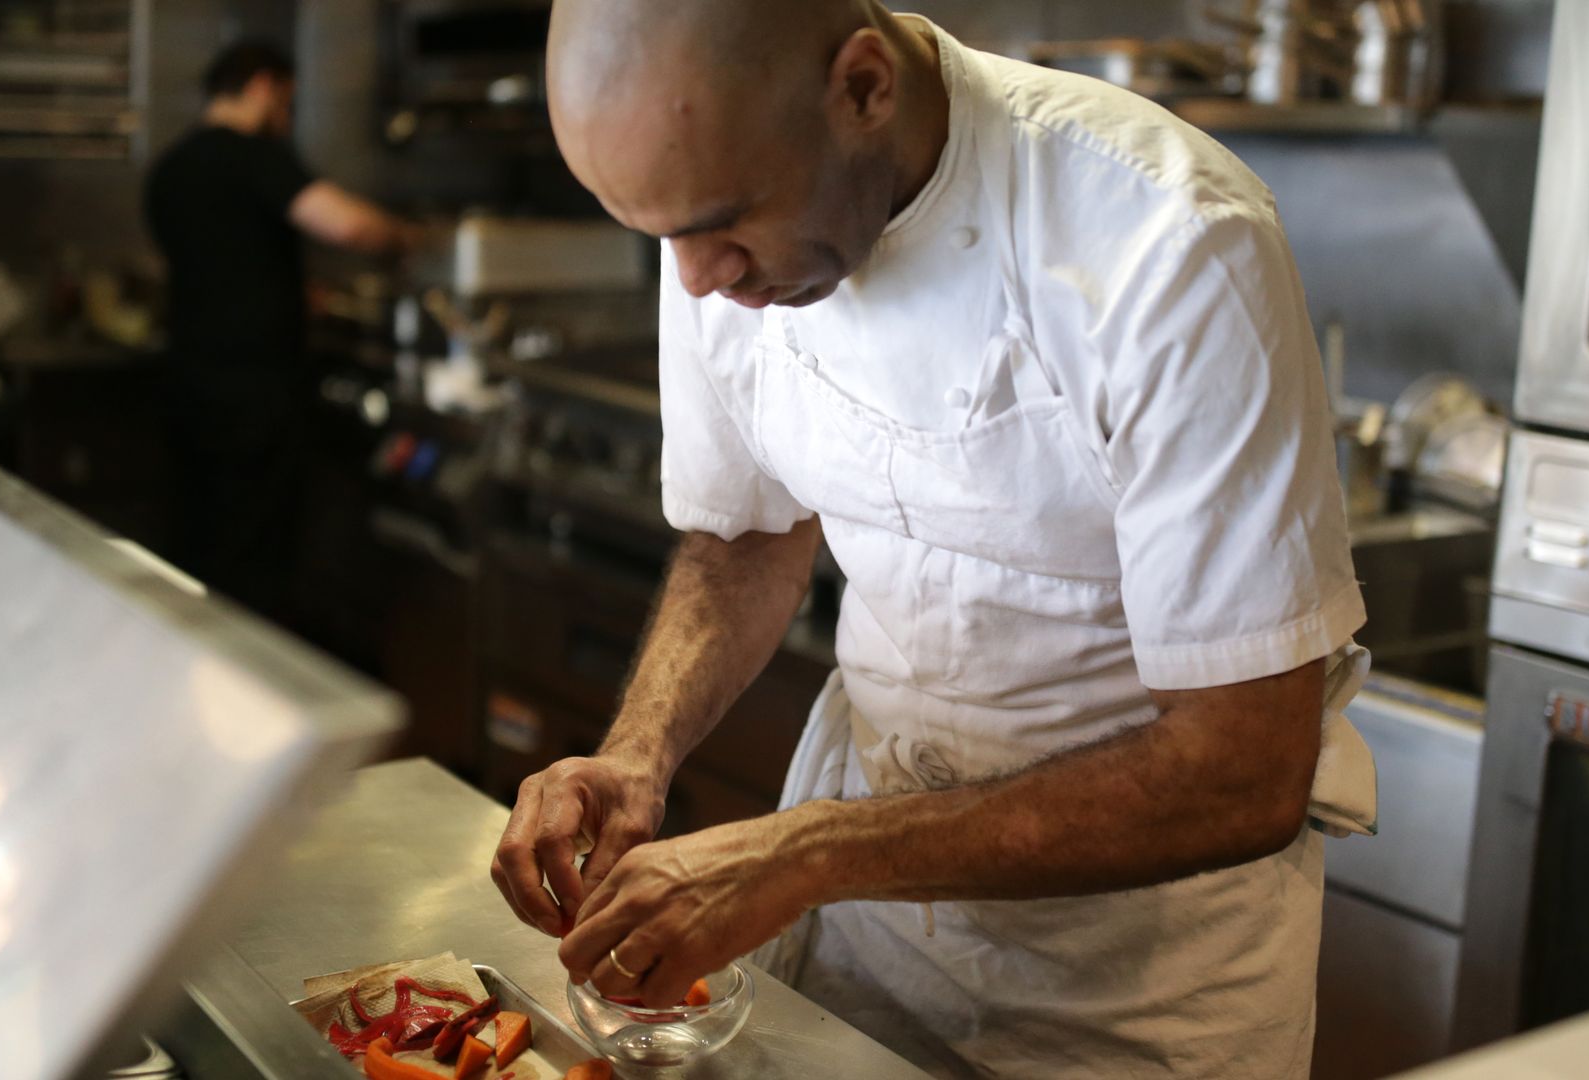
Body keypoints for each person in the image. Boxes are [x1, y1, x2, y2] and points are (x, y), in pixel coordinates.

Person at [490, 2, 1378, 1076]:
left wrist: (807, 852)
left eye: (720, 222)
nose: (696, 280)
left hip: (1137, 994)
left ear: (865, 87)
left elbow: (1241, 769)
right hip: (864, 946)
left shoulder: (1169, 239)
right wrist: (636, 752)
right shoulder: (720, 234)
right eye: (660, 234)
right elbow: (744, 540)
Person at [145, 39, 417, 619]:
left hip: (189, 380)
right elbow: (347, 226)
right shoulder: (253, 156)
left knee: (199, 540)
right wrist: (407, 238)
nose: (286, 120)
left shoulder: (170, 168)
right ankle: (251, 665)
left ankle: (193, 658)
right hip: (254, 393)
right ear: (263, 86)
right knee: (254, 554)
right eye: (287, 104)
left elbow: (212, 265)